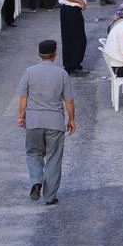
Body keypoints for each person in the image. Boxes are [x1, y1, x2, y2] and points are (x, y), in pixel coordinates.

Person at [17, 39, 77, 206]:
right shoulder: (62, 73)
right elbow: (69, 100)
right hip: (55, 122)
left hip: (34, 121)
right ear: (55, 54)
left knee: (33, 153)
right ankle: (50, 196)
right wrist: (71, 119)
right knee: (54, 158)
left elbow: (23, 98)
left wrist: (22, 116)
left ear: (39, 54)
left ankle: (36, 181)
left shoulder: (30, 72)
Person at [59, 0, 89, 76]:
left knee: (79, 39)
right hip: (69, 10)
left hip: (74, 10)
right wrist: (80, 1)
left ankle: (75, 64)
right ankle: (71, 66)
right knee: (73, 39)